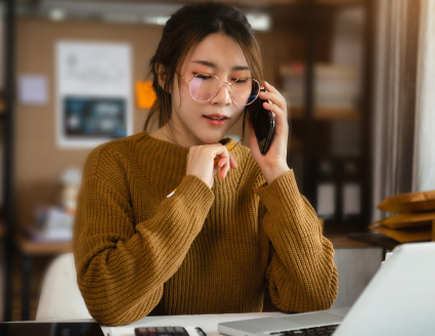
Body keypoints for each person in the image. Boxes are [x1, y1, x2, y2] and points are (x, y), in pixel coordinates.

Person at [73, 1, 338, 326]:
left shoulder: (259, 172)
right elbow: (109, 303)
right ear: (165, 75)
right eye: (202, 75)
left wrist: (277, 171)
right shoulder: (113, 162)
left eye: (239, 80)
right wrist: (192, 191)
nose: (223, 97)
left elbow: (315, 297)